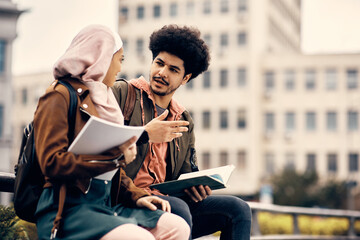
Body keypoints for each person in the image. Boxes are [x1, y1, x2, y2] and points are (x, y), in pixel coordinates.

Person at [33, 24, 190, 240]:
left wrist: (137, 196)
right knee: (139, 237)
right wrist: (114, 157)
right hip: (67, 208)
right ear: (101, 57)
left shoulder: (103, 100)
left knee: (177, 227)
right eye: (119, 59)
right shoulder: (58, 96)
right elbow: (52, 162)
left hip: (104, 204)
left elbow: (112, 171)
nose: (119, 68)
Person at [112, 24, 252, 240]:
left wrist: (196, 187)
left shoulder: (184, 119)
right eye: (159, 63)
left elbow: (184, 175)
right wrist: (143, 134)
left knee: (238, 209)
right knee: (177, 208)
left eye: (173, 70)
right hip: (126, 198)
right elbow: (99, 148)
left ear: (186, 78)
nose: (161, 73)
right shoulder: (123, 94)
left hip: (168, 201)